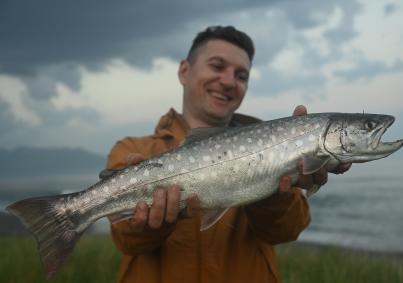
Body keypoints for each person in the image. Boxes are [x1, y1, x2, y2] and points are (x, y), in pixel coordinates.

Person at [105, 26, 350, 283]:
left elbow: (287, 231)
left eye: (241, 75)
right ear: (184, 71)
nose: (229, 81)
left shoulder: (277, 146)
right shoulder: (133, 151)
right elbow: (125, 239)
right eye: (217, 66)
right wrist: (153, 222)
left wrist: (271, 186)